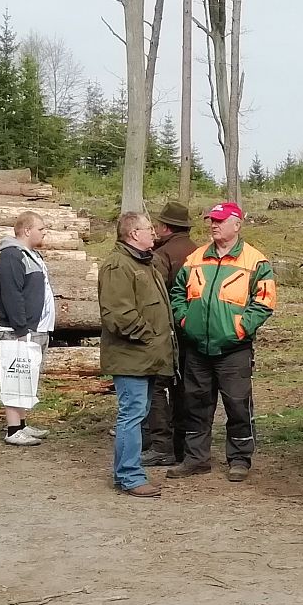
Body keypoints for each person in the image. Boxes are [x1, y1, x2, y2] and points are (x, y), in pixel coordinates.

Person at [169, 202, 276, 483]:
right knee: (195, 404)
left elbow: (264, 302)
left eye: (219, 220)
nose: (213, 225)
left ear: (236, 225)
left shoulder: (255, 261)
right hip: (197, 347)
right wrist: (184, 320)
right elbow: (177, 292)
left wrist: (240, 329)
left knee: (238, 405)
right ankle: (196, 458)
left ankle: (239, 459)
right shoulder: (195, 258)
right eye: (211, 221)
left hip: (233, 349)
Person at [99, 211, 173, 498]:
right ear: (133, 234)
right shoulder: (118, 265)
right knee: (131, 416)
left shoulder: (144, 263)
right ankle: (130, 476)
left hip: (145, 357)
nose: (154, 232)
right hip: (132, 357)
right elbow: (119, 315)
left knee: (136, 415)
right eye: (148, 228)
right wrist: (150, 338)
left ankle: (125, 473)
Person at [0, 211, 55, 446]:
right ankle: (12, 429)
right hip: (19, 331)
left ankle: (21, 424)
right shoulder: (11, 256)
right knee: (15, 377)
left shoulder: (32, 255)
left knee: (26, 378)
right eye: (41, 228)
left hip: (35, 327)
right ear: (27, 230)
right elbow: (12, 295)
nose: (44, 232)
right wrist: (21, 329)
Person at [143, 200, 197, 467]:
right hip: (194, 330)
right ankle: (184, 444)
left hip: (167, 331)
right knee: (184, 388)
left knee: (156, 386)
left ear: (165, 227)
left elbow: (154, 294)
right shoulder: (199, 252)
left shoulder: (161, 255)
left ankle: (160, 445)